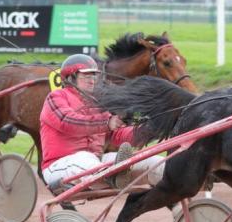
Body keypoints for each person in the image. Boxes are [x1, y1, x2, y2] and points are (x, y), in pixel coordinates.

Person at [39, 54, 164, 191]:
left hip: (95, 162)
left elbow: (117, 134)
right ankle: (115, 174)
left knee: (154, 162)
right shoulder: (56, 97)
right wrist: (107, 122)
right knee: (85, 158)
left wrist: (150, 130)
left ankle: (174, 181)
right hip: (59, 165)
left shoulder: (97, 104)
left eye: (94, 76)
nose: (92, 80)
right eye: (86, 76)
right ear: (71, 77)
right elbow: (67, 121)